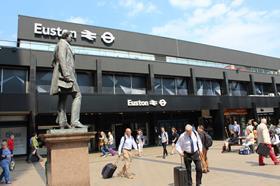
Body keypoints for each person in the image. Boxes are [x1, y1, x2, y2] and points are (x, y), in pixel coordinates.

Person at [50, 31, 86, 129]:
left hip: (64, 73)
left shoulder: (60, 44)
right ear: (66, 36)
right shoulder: (62, 43)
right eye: (71, 36)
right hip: (66, 74)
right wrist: (66, 74)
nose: (72, 38)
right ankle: (75, 121)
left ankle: (62, 122)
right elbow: (61, 58)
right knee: (78, 95)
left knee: (63, 97)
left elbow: (53, 62)